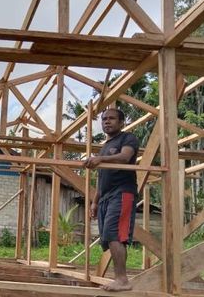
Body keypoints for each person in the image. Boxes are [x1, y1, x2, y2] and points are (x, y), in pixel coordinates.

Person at [84, 108, 140, 292]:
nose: (107, 121)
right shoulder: (105, 147)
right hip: (106, 196)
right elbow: (101, 179)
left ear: (122, 122)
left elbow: (125, 158)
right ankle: (119, 278)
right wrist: (94, 201)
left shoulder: (128, 138)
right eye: (104, 119)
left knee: (114, 233)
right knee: (107, 237)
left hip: (122, 191)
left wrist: (100, 158)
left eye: (112, 118)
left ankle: (122, 280)